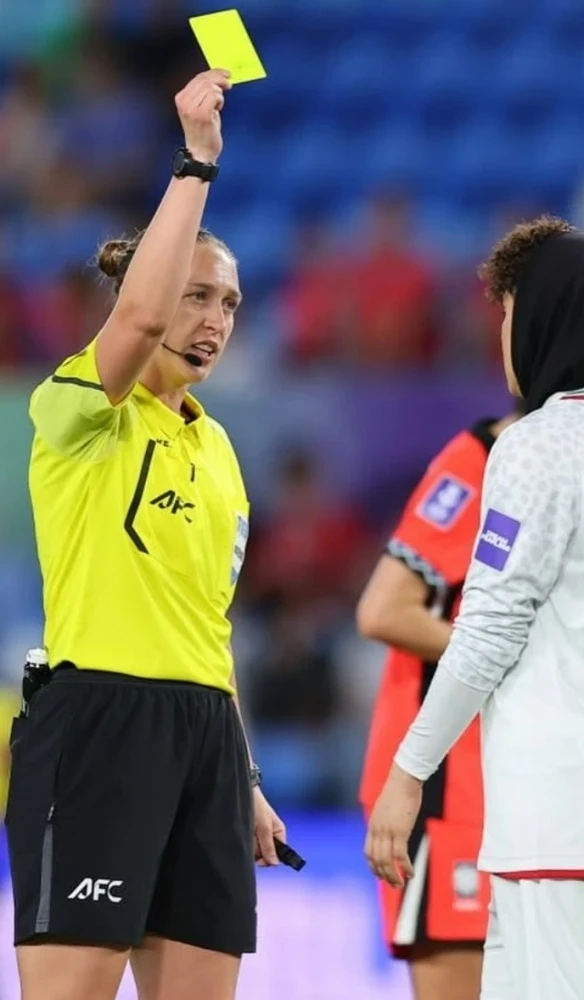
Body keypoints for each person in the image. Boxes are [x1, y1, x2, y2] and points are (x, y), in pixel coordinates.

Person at [364, 215, 584, 1000]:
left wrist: (409, 772)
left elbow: (486, 631)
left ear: (546, 317)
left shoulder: (537, 444)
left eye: (508, 312)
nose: (503, 334)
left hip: (559, 805)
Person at [5, 70, 285, 1000]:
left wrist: (239, 771)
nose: (212, 322)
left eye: (230, 304)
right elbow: (139, 316)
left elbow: (208, 628)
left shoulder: (222, 453)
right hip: (97, 726)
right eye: (198, 297)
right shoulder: (78, 410)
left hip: (203, 735)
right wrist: (196, 161)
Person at [357, 402, 525, 1000]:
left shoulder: (554, 475)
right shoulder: (478, 463)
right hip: (443, 785)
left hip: (513, 787)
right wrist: (518, 660)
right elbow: (383, 609)